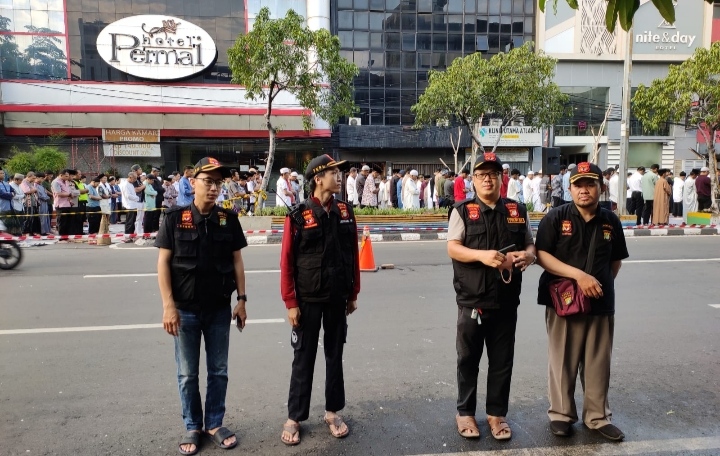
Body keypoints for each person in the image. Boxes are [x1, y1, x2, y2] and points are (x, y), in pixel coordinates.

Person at [156, 157, 248, 455]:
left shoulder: (227, 218)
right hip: (185, 310)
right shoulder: (174, 218)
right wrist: (168, 306)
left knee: (219, 371)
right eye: (208, 181)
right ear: (192, 182)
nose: (213, 188)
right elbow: (163, 264)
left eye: (217, 183)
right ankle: (193, 425)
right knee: (187, 374)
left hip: (219, 309)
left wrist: (242, 300)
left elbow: (237, 261)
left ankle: (214, 423)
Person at [535, 161, 629, 442]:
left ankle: (597, 417)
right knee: (562, 359)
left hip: (600, 303)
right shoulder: (556, 217)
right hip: (562, 302)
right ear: (570, 187)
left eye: (590, 184)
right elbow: (542, 255)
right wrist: (580, 278)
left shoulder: (610, 220)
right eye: (578, 184)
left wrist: (596, 286)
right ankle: (561, 415)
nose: (584, 190)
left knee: (598, 362)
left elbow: (615, 262)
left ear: (601, 187)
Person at [447, 152, 536, 441]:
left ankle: (497, 415)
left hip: (506, 300)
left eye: (493, 174)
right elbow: (453, 247)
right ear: (472, 180)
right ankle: (465, 413)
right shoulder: (462, 210)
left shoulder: (516, 210)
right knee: (468, 360)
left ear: (502, 178)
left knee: (502, 361)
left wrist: (527, 257)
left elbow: (530, 245)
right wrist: (482, 256)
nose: (488, 179)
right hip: (473, 300)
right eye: (482, 174)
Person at [279, 154, 360, 446]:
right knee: (303, 357)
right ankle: (295, 416)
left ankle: (333, 411)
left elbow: (353, 256)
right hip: (308, 297)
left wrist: (353, 293)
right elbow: (287, 260)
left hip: (337, 297)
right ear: (318, 178)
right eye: (333, 172)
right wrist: (290, 302)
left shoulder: (345, 211)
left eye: (340, 172)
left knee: (334, 355)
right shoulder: (299, 215)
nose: (339, 176)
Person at [51, 170, 73, 237]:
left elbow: (69, 191)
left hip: (68, 204)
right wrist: (69, 194)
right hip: (60, 205)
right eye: (66, 176)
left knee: (67, 222)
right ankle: (61, 237)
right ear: (61, 175)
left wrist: (70, 196)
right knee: (62, 222)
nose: (67, 177)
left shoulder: (66, 182)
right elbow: (58, 193)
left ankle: (66, 236)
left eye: (68, 176)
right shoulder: (56, 182)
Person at [120, 172, 141, 240]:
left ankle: (131, 235)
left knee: (133, 221)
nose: (135, 180)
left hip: (133, 204)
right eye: (134, 178)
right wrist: (137, 198)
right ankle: (127, 236)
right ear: (130, 177)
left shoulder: (131, 184)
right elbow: (128, 195)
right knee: (130, 221)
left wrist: (135, 198)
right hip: (129, 205)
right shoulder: (125, 184)